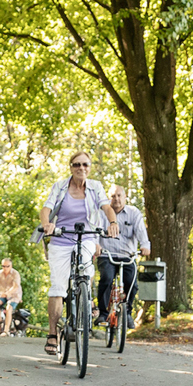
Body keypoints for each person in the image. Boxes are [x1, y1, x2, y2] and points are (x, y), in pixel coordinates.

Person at [39, 151, 119, 355]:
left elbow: (106, 207)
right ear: (70, 167)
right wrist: (47, 224)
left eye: (85, 164)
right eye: (76, 165)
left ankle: (85, 299)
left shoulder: (96, 187)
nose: (81, 168)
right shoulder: (60, 186)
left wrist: (112, 222)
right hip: (62, 238)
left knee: (86, 270)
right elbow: (46, 208)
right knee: (58, 286)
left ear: (89, 167)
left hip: (87, 237)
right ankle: (52, 334)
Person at [96, 185, 150, 330]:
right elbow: (95, 231)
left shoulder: (133, 213)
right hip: (107, 255)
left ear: (125, 197)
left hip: (127, 256)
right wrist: (96, 245)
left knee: (132, 284)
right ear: (109, 198)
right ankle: (102, 312)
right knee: (106, 278)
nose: (116, 199)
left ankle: (127, 312)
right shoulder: (102, 213)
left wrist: (145, 246)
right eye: (113, 196)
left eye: (119, 195)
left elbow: (141, 232)